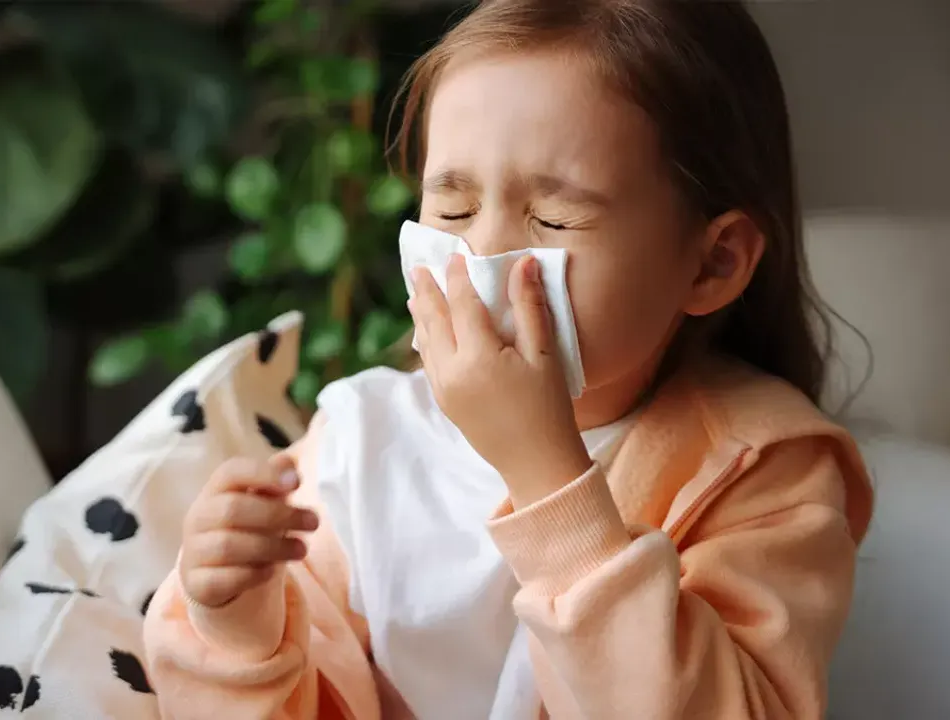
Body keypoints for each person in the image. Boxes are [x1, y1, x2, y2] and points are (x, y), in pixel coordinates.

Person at [143, 0, 874, 717]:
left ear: (713, 263)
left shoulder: (762, 469)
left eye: (554, 218)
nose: (481, 253)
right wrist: (237, 626)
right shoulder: (361, 444)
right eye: (453, 210)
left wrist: (546, 476)